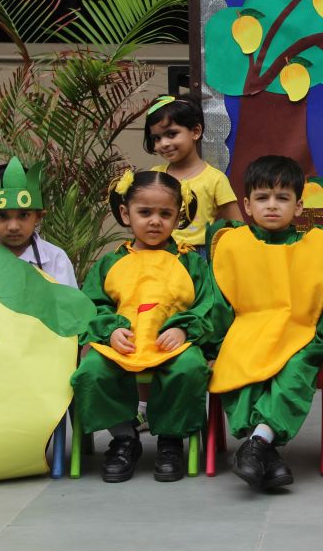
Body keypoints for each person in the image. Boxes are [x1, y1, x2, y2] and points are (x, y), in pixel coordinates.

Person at [207, 155, 323, 491]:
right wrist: (211, 347)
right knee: (237, 363)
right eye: (262, 197)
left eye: (282, 197)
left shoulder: (319, 247)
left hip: (300, 335)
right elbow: (219, 302)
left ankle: (256, 444)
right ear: (247, 205)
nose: (272, 205)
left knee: (296, 368)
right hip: (246, 330)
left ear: (298, 206)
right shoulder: (232, 245)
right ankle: (263, 449)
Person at [71, 170, 216, 483]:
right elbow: (92, 305)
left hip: (174, 345)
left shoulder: (191, 263)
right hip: (123, 344)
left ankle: (170, 441)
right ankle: (124, 437)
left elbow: (208, 305)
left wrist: (184, 329)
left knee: (189, 369)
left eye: (165, 214)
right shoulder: (110, 263)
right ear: (126, 214)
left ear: (178, 217)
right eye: (145, 212)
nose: (155, 221)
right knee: (91, 372)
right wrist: (110, 330)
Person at [145, 94, 243, 252]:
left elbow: (238, 226)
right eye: (156, 138)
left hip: (197, 259)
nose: (164, 143)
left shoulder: (215, 179)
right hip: (159, 254)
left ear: (196, 131)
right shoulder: (155, 175)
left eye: (171, 134)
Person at [0, 157, 77, 287]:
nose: (13, 227)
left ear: (38, 217)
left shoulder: (56, 259)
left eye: (23, 215)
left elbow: (68, 299)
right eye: (2, 216)